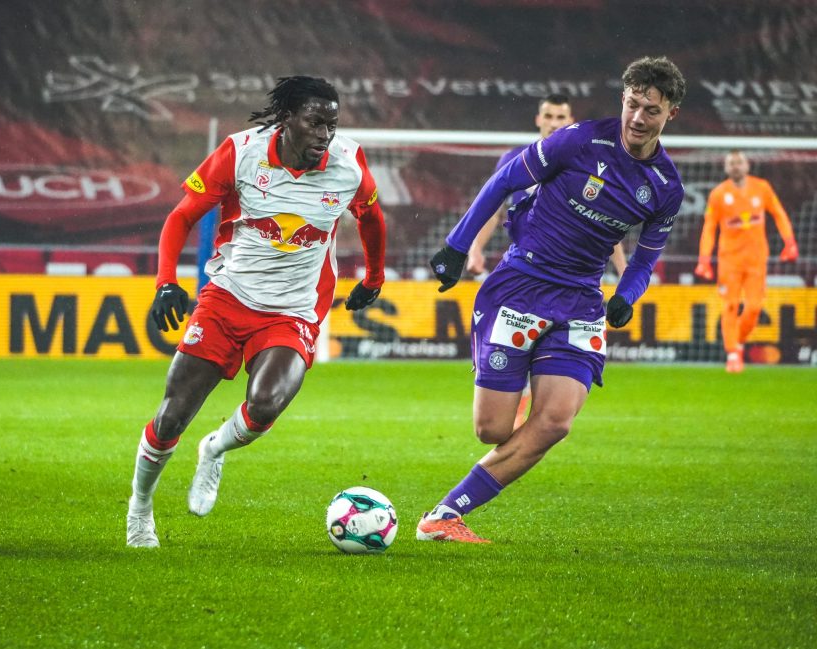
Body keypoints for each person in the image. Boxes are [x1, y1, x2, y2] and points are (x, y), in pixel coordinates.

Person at [421, 56, 686, 544]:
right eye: (632, 104)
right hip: (521, 285)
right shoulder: (580, 140)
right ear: (622, 99)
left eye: (651, 110)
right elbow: (504, 181)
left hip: (581, 301)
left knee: (554, 423)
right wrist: (457, 247)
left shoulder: (666, 187)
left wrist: (626, 296)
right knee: (492, 430)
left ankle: (444, 515)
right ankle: (515, 390)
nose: (637, 118)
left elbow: (646, 259)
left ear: (671, 113)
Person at [126, 76, 387, 548]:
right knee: (172, 417)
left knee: (266, 404)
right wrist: (166, 281)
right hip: (227, 299)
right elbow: (181, 216)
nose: (325, 134)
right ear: (286, 119)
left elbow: (371, 218)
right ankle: (140, 511)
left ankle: (215, 448)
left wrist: (373, 278)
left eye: (331, 125)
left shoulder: (348, 165)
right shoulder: (241, 152)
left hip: (293, 310)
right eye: (315, 123)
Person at [466, 94, 627, 429]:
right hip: (523, 275)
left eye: (561, 117)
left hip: (572, 282)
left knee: (552, 372)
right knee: (494, 416)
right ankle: (517, 409)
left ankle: (540, 419)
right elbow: (495, 211)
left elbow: (604, 226)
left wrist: (624, 272)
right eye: (549, 116)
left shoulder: (586, 161)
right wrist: (474, 248)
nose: (554, 123)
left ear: (571, 122)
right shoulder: (516, 159)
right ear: (538, 120)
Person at [694, 150, 798, 373]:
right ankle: (732, 353)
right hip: (729, 261)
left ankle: (738, 342)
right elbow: (709, 228)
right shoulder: (718, 194)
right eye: (731, 163)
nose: (735, 166)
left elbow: (779, 213)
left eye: (739, 162)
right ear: (726, 168)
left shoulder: (762, 188)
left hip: (756, 260)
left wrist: (790, 242)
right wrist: (704, 260)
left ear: (747, 165)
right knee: (730, 306)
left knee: (754, 308)